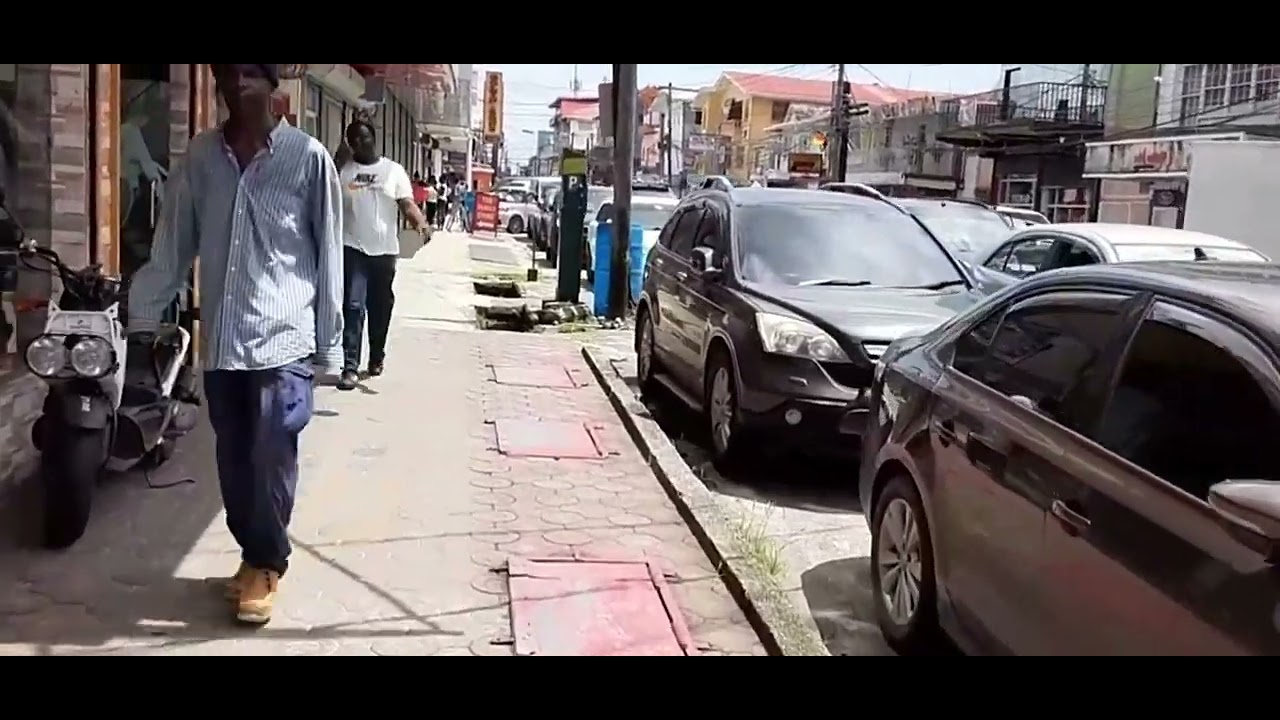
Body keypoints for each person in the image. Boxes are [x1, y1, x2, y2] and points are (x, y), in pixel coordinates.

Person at [128, 64, 344, 626]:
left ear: (274, 84)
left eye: (250, 70)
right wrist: (143, 315)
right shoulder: (200, 158)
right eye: (227, 70)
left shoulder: (308, 158)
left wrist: (330, 345)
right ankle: (253, 554)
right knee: (233, 458)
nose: (237, 80)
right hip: (224, 339)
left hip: (285, 338)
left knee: (270, 451)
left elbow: (329, 254)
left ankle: (267, 562)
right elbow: (173, 243)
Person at [337, 118, 429, 391]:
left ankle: (376, 356)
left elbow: (406, 204)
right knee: (353, 306)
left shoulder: (393, 171)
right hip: (352, 248)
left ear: (374, 139)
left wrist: (420, 223)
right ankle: (349, 367)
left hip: (385, 252)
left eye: (364, 137)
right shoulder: (345, 172)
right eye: (354, 139)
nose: (360, 143)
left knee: (380, 308)